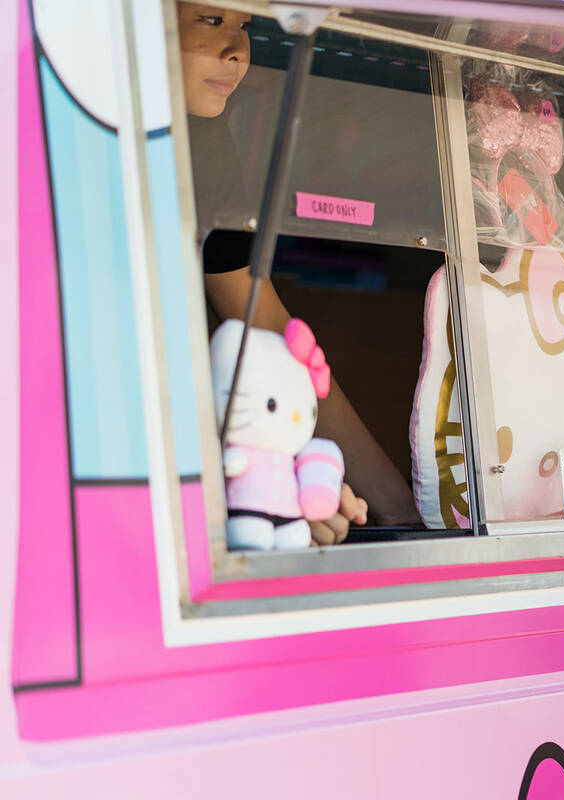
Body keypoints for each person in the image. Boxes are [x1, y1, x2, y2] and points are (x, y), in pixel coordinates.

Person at [178, 3, 422, 543]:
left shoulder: (204, 140)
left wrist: (393, 505)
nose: (237, 49)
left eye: (243, 25)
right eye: (210, 20)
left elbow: (258, 315)